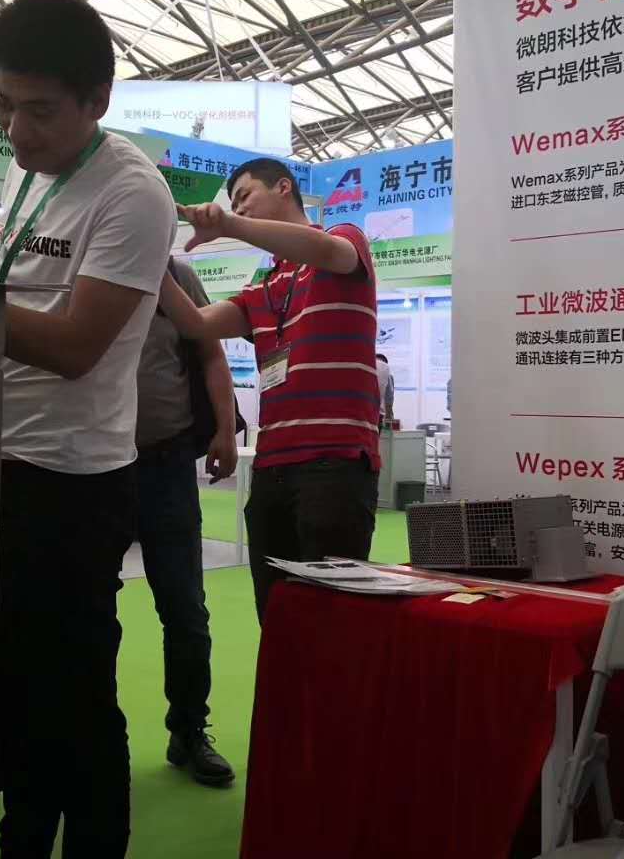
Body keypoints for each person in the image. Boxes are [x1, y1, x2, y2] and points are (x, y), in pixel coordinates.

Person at [0, 0, 175, 858]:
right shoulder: (25, 169)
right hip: (0, 462)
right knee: (17, 688)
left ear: (98, 99)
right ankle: (23, 840)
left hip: (74, 482)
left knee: (77, 693)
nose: (16, 131)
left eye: (40, 111)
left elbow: (75, 347)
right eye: (3, 104)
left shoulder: (133, 193)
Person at [157, 157, 380, 621]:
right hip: (273, 467)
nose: (238, 208)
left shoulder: (344, 239)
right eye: (233, 204)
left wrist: (228, 224)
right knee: (277, 619)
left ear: (283, 187)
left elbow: (327, 250)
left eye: (244, 196)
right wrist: (148, 261)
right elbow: (196, 323)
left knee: (335, 622)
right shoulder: (264, 287)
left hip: (334, 463)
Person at [133, 258, 238, 788]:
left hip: (166, 462)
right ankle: (85, 736)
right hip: (90, 463)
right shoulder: (76, 259)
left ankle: (190, 729)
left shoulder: (174, 274)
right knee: (85, 609)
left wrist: (225, 428)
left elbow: (210, 352)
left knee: (185, 608)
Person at [375, 352, 395, 427]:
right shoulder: (387, 373)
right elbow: (389, 397)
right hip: (379, 413)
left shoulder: (366, 371)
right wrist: (389, 416)